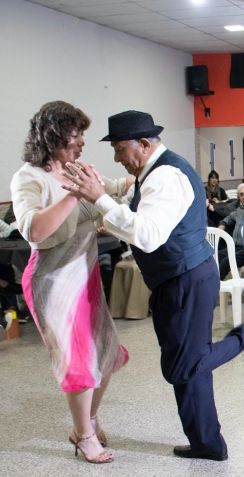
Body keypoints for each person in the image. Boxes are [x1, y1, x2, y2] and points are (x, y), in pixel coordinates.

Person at [63, 110, 244, 462]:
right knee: (188, 368)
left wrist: (99, 198)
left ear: (143, 144)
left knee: (184, 367)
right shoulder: (151, 173)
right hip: (177, 279)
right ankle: (207, 442)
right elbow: (142, 219)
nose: (116, 157)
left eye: (118, 149)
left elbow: (147, 234)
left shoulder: (166, 176)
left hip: (185, 279)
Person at [11, 101, 128, 464]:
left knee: (106, 355)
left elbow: (115, 189)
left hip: (86, 274)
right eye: (75, 136)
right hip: (53, 281)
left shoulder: (80, 168)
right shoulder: (29, 178)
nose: (81, 144)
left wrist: (150, 168)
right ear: (53, 136)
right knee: (78, 360)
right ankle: (84, 436)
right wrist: (74, 193)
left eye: (81, 137)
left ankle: (86, 420)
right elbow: (34, 230)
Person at [217, 183, 244, 279]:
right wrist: (222, 224)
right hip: (234, 246)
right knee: (215, 256)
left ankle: (215, 287)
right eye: (241, 194)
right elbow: (228, 218)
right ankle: (212, 285)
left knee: (225, 262)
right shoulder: (239, 210)